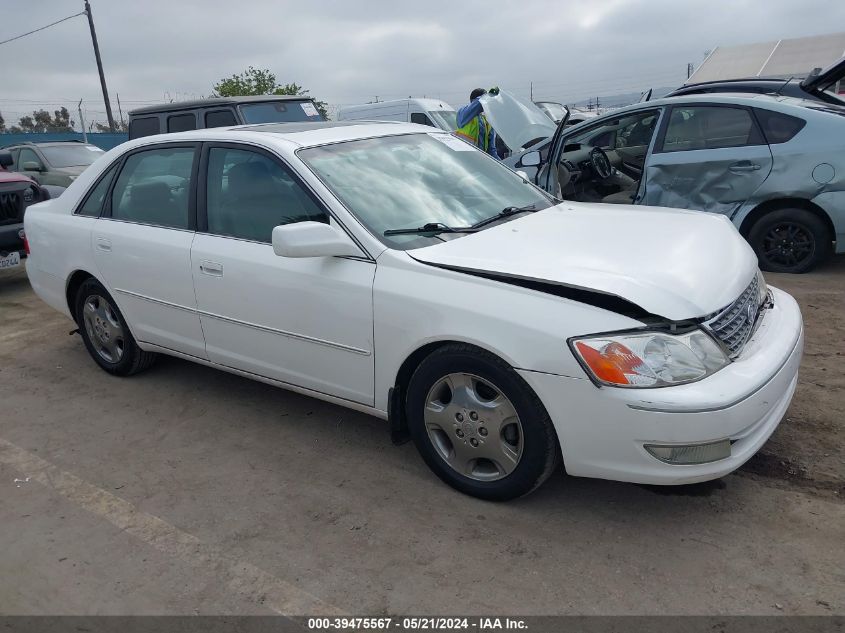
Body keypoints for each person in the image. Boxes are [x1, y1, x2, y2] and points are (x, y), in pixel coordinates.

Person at [454, 87, 500, 159]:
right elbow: (476, 105)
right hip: (465, 158)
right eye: (484, 100)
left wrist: (500, 164)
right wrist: (487, 96)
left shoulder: (487, 119)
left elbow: (491, 150)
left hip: (479, 160)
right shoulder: (463, 113)